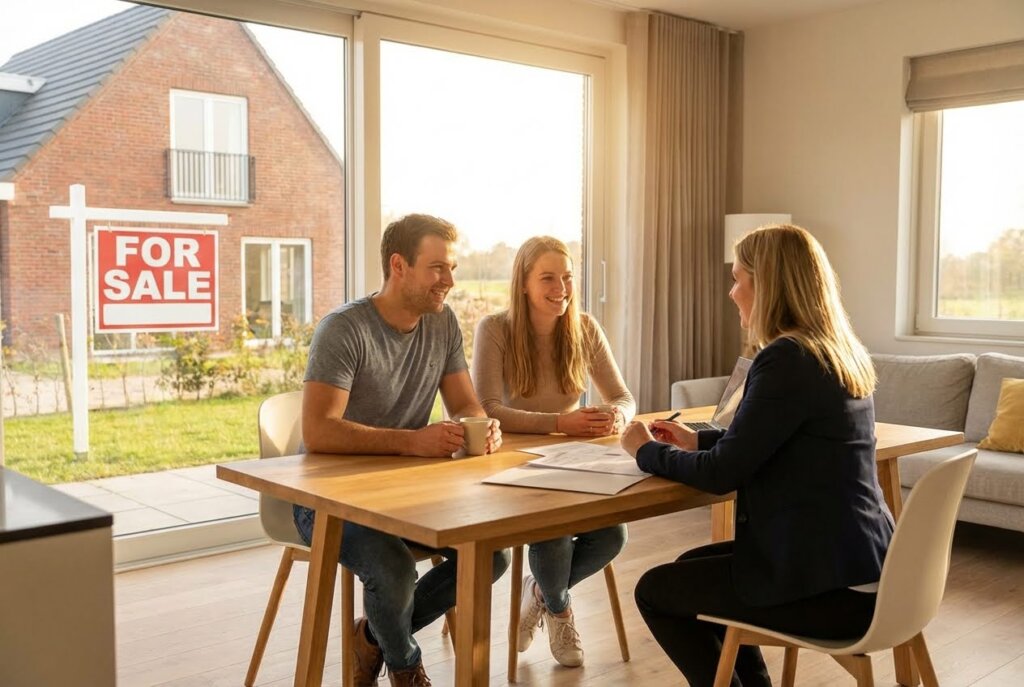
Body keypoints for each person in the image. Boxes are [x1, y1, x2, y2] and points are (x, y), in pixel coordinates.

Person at [620, 224, 892, 687]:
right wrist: (696, 440)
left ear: (765, 286)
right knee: (688, 569)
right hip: (867, 567)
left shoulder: (786, 359)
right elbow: (775, 444)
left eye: (738, 278)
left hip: (833, 589)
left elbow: (723, 475)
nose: (731, 293)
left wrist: (644, 450)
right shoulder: (835, 352)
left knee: (654, 591)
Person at [295, 213, 511, 687]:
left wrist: (483, 427)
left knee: (490, 556)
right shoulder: (344, 329)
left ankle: (373, 637)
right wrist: (411, 442)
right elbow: (318, 431)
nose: (449, 281)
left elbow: (465, 404)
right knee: (393, 570)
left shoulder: (442, 323)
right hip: (327, 500)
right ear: (399, 265)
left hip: (405, 495)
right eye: (437, 268)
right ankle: (406, 665)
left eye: (451, 268)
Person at [472, 235, 636, 668]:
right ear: (523, 283)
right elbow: (487, 409)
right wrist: (560, 423)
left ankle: (541, 593)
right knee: (554, 531)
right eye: (548, 277)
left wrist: (616, 416)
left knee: (614, 536)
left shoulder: (585, 328)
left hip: (574, 462)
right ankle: (560, 609)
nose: (560, 287)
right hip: (512, 466)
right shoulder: (495, 330)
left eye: (566, 277)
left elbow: (623, 396)